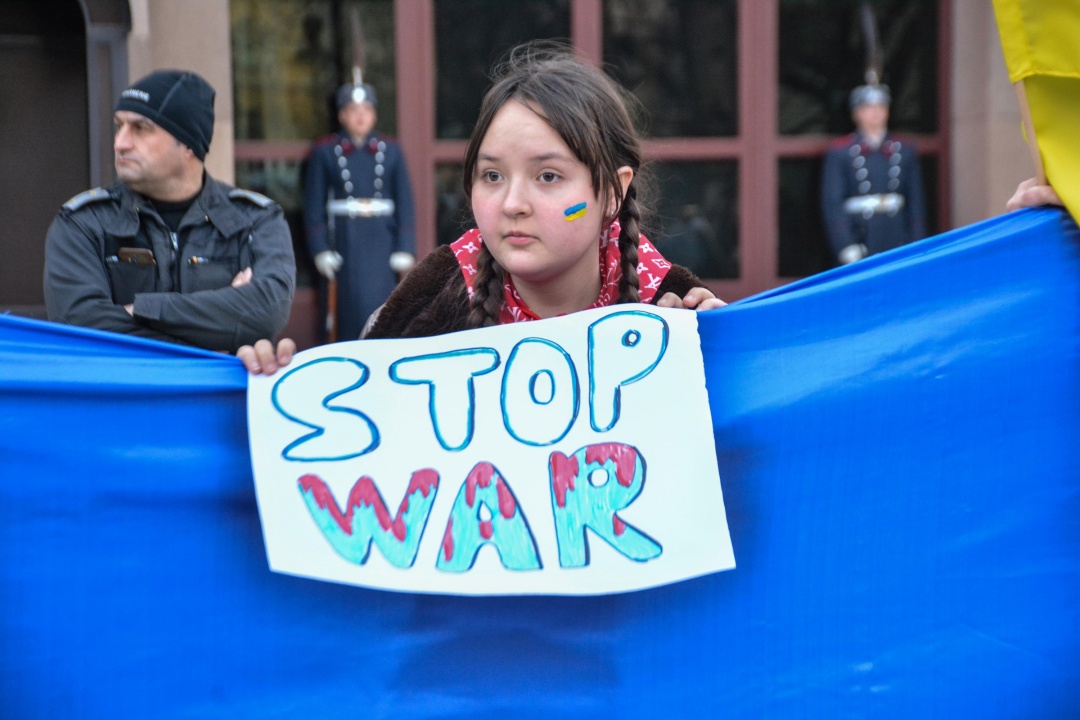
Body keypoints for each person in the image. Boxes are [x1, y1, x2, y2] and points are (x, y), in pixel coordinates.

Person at [238, 43, 723, 375]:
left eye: (548, 177)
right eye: (492, 176)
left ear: (613, 194)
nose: (512, 204)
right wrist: (277, 383)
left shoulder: (674, 308)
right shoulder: (425, 306)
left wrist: (724, 353)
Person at [43, 70, 295, 353]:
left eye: (140, 128)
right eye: (119, 126)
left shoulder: (255, 219)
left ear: (188, 144)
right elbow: (81, 327)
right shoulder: (83, 222)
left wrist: (138, 308)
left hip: (220, 397)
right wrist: (219, 333)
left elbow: (266, 311)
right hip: (125, 394)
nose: (120, 142)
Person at [303, 75, 417, 342]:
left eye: (366, 110)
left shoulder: (392, 150)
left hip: (381, 244)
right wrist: (320, 249)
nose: (360, 117)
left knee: (382, 313)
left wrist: (404, 246)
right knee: (347, 315)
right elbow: (313, 206)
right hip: (345, 244)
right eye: (353, 111)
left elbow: (405, 203)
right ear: (342, 115)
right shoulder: (325, 151)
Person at [820, 83, 927, 265]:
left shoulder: (904, 150)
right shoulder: (842, 152)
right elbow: (832, 203)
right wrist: (845, 244)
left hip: (896, 234)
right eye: (868, 107)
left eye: (880, 107)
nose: (875, 112)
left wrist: (917, 241)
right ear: (856, 113)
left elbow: (916, 201)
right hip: (861, 234)